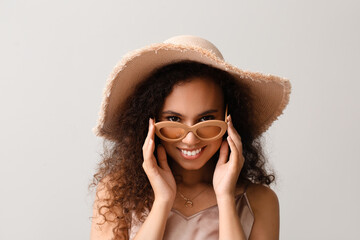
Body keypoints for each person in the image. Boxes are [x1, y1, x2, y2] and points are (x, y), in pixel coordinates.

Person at [90, 35, 291, 240]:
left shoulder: (259, 201)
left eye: (206, 119)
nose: (190, 139)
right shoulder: (116, 194)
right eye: (174, 119)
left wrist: (226, 197)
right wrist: (162, 201)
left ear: (229, 118)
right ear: (150, 121)